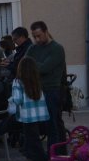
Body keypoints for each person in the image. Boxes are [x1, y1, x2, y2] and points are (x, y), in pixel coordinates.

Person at [26, 21, 67, 154]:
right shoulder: (33, 48)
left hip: (51, 90)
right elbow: (25, 64)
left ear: (46, 32)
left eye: (39, 36)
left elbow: (45, 68)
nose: (37, 39)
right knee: (33, 125)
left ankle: (53, 155)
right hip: (35, 90)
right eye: (34, 36)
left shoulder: (57, 48)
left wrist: (32, 65)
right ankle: (34, 155)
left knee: (52, 124)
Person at [7, 56, 51, 161]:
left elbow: (18, 99)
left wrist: (10, 100)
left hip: (27, 116)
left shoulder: (18, 81)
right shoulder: (36, 80)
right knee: (37, 143)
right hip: (41, 115)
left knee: (34, 144)